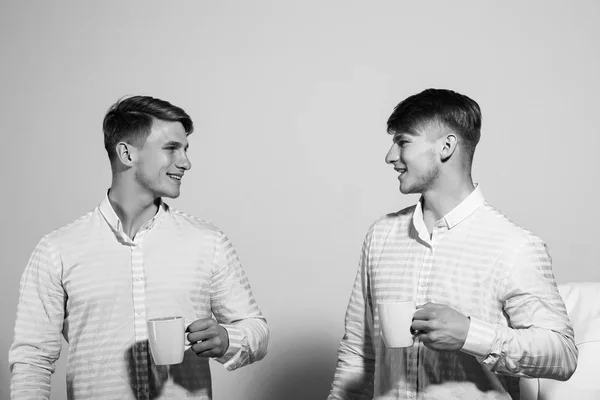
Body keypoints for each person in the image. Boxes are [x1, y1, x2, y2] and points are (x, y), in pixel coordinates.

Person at [9, 95, 269, 399]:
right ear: (127, 154)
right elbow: (32, 359)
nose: (186, 162)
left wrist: (228, 339)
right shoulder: (57, 250)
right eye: (171, 148)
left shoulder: (208, 242)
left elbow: (257, 332)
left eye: (185, 149)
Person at [327, 88, 577, 399]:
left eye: (403, 141)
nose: (390, 156)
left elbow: (563, 355)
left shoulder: (514, 246)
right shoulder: (381, 236)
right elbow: (359, 354)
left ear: (446, 146)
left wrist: (471, 335)